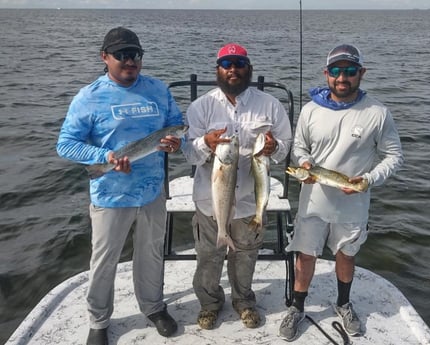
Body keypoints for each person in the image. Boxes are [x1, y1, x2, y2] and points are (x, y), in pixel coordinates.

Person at [56, 27, 184, 345]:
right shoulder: (89, 97)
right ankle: (99, 320)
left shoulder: (157, 89)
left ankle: (153, 307)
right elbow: (66, 144)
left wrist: (173, 144)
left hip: (153, 190)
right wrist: (105, 156)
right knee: (104, 260)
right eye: (122, 54)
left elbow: (179, 124)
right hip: (111, 194)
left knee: (151, 253)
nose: (130, 61)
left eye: (135, 54)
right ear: (105, 57)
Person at [278, 44, 404, 341]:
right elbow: (299, 148)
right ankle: (297, 307)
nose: (342, 77)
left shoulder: (377, 112)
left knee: (346, 255)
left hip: (353, 203)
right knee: (305, 255)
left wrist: (369, 179)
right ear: (326, 74)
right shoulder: (310, 110)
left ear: (361, 73)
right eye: (336, 71)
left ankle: (344, 304)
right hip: (313, 202)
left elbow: (394, 156)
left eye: (349, 71)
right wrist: (304, 163)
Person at [182, 43, 292, 330]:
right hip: (210, 199)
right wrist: (204, 143)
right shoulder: (200, 107)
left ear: (249, 68)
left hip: (249, 201)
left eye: (239, 64)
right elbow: (189, 154)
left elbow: (286, 148)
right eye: (227, 64)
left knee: (246, 255)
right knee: (209, 256)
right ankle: (210, 303)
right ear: (218, 69)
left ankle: (244, 301)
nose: (233, 69)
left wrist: (274, 147)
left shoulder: (270, 105)